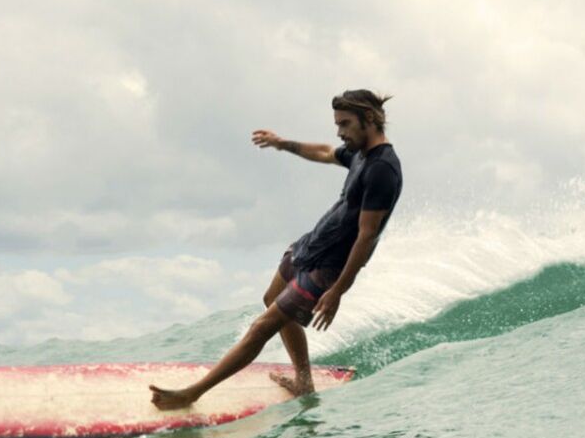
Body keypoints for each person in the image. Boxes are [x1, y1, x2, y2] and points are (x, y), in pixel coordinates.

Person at [149, 89, 403, 410]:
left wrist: (338, 290)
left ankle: (191, 394)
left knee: (260, 329)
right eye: (337, 123)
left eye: (345, 124)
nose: (339, 132)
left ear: (369, 119)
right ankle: (304, 381)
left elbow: (367, 238)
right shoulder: (361, 154)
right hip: (311, 245)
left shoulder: (383, 169)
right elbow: (325, 152)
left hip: (329, 266)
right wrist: (282, 143)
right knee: (270, 299)